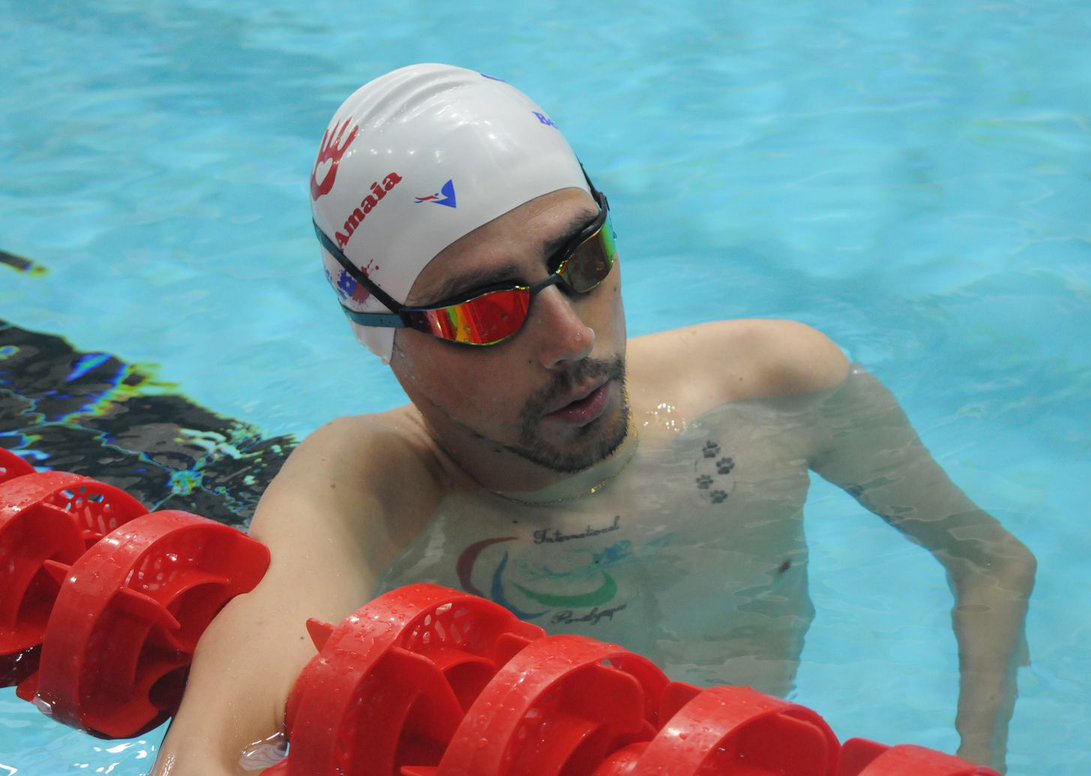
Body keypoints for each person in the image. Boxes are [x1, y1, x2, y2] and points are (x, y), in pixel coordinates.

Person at [152, 64, 1035, 775]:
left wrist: (977, 755)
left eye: (582, 257)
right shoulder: (369, 488)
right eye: (482, 311)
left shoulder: (776, 384)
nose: (571, 339)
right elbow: (209, 753)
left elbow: (991, 560)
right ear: (383, 337)